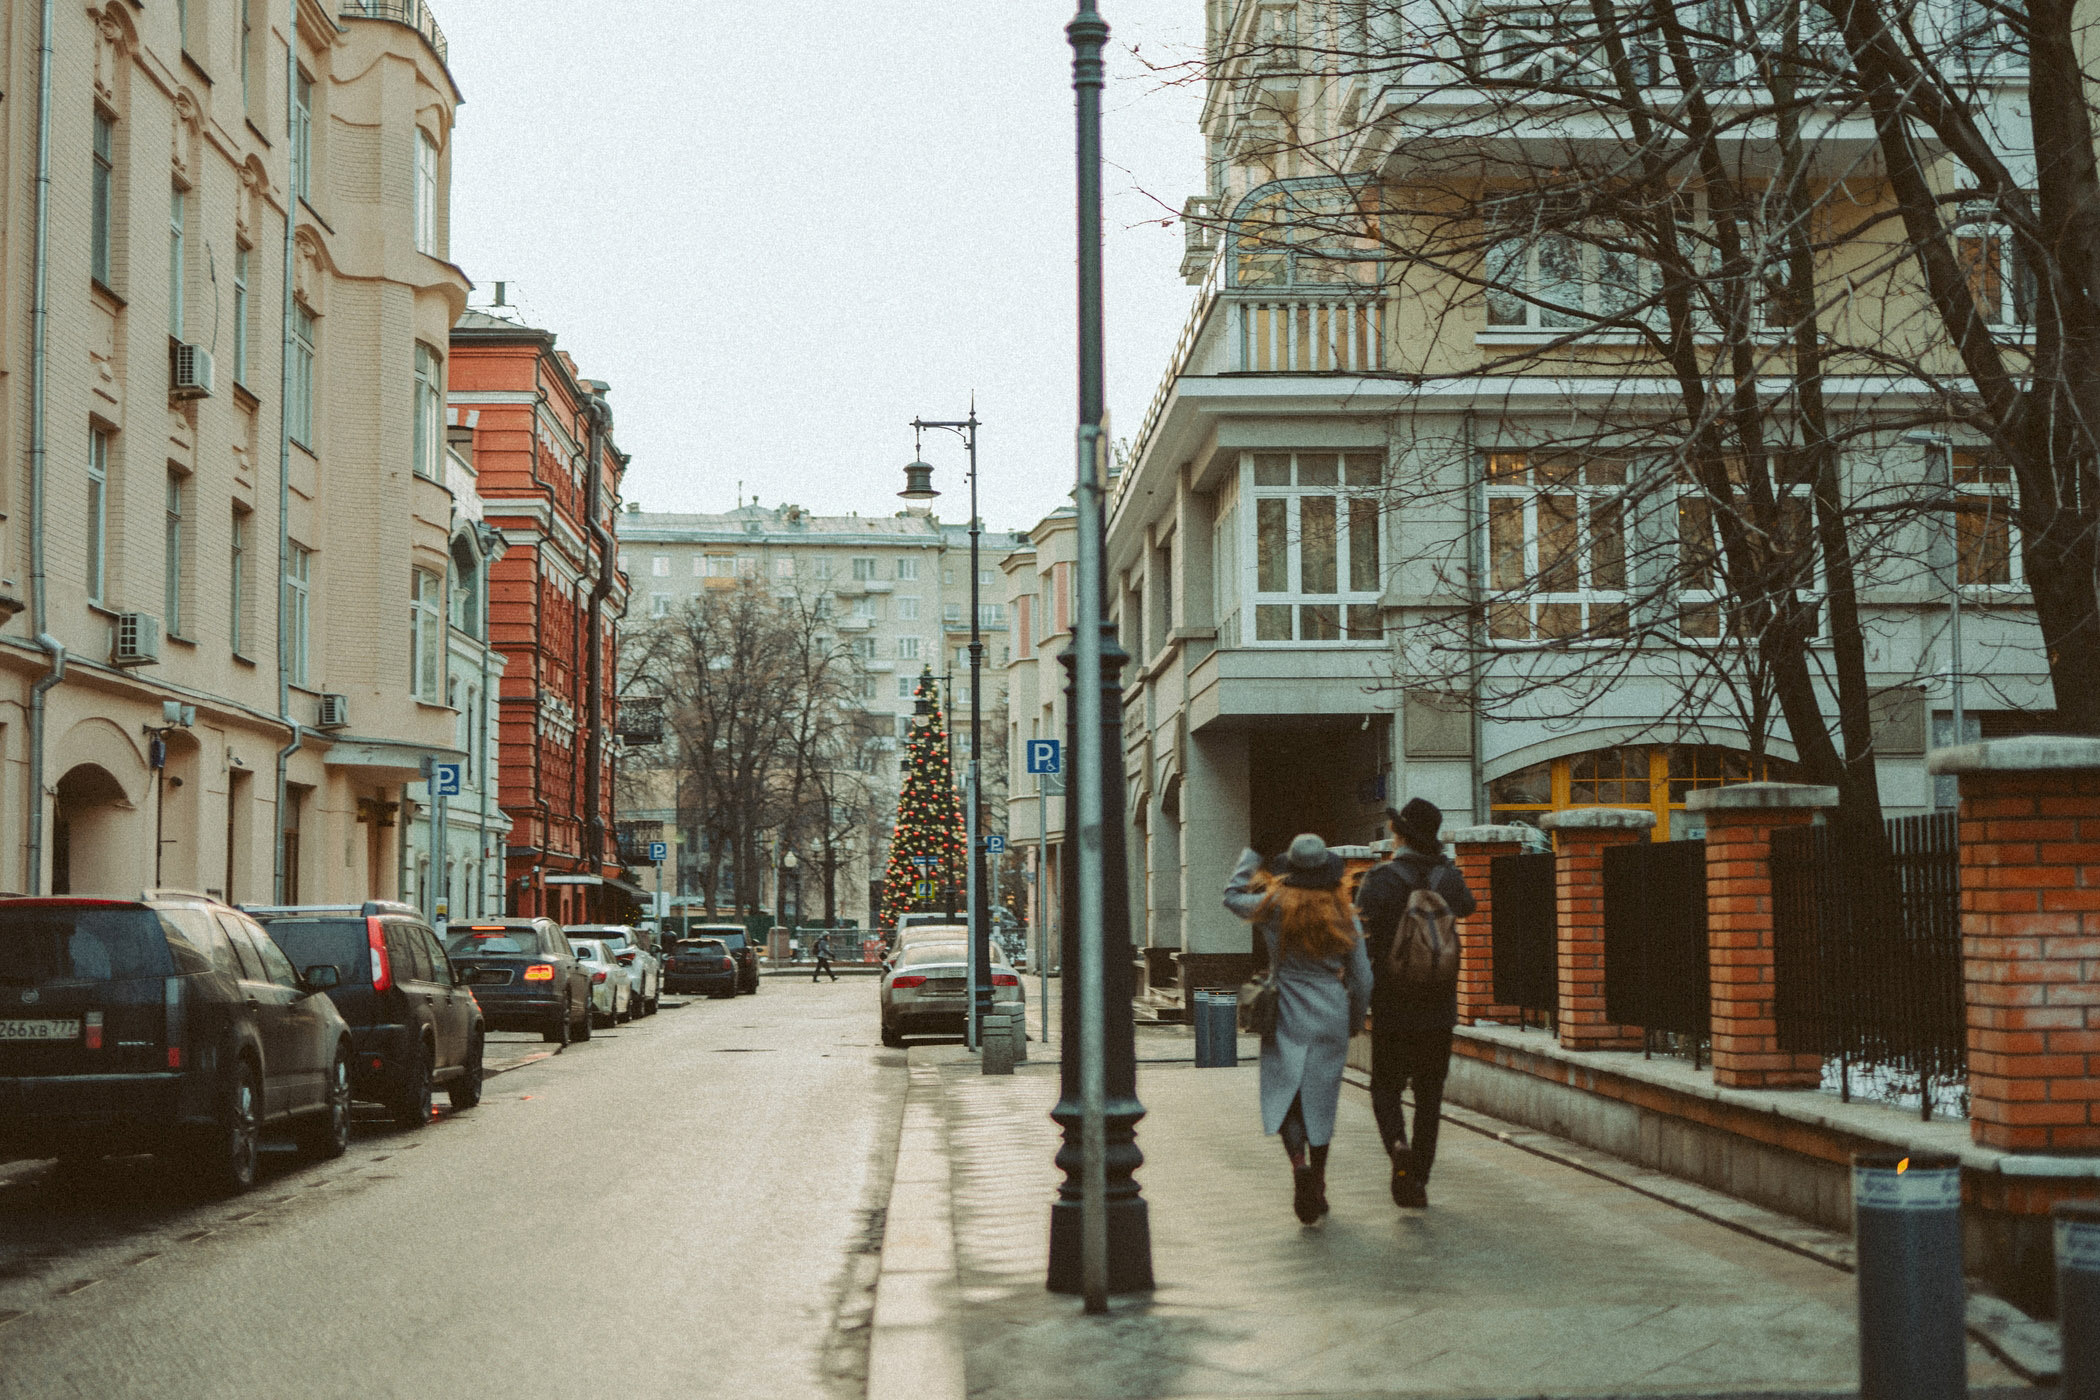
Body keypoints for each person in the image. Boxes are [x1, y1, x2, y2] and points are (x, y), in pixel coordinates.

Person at [1224, 834, 1374, 1224]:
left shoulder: (1272, 906)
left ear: (1288, 868)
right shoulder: (1344, 911)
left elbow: (1231, 896)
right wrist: (1354, 1018)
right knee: (1322, 1099)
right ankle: (1319, 1183)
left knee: (1287, 1094)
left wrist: (1250, 854)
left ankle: (1298, 1166)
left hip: (1286, 1006)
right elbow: (1364, 978)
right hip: (1330, 1011)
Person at [1355, 797, 1477, 1210]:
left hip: (1392, 1002)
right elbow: (1469, 907)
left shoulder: (1381, 878)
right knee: (1429, 1094)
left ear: (1399, 833)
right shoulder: (1448, 876)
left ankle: (1398, 1146)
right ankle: (1419, 1179)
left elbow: (1364, 928)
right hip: (1439, 1003)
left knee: (1385, 1087)